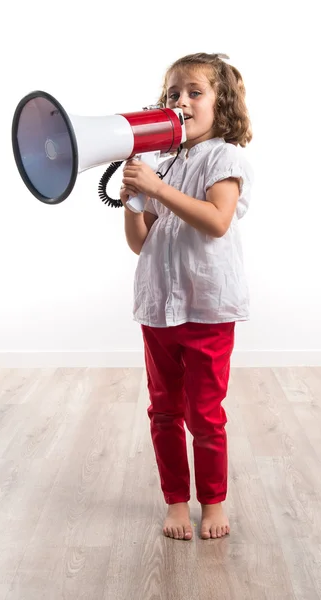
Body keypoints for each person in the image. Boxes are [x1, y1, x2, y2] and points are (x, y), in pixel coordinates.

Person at [119, 52, 254, 541]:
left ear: (223, 104)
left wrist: (158, 186)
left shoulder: (226, 157)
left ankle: (212, 502)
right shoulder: (165, 163)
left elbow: (217, 221)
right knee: (164, 410)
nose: (181, 101)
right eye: (174, 93)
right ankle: (176, 501)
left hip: (208, 309)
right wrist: (135, 198)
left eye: (195, 92)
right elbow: (141, 241)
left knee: (204, 412)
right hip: (159, 308)